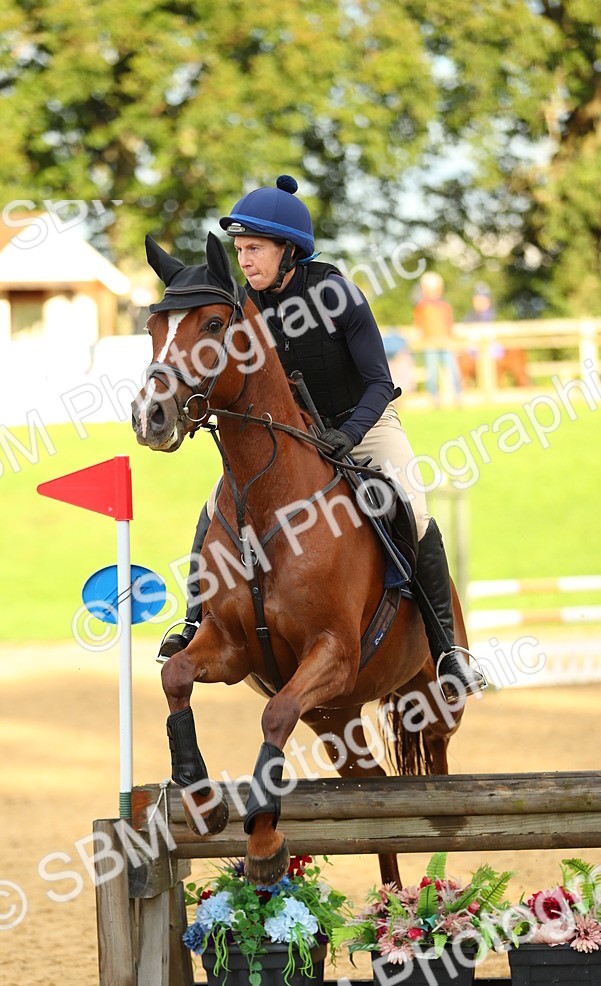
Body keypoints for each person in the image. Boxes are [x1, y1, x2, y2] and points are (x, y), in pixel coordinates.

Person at [157, 175, 485, 701]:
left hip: (367, 423)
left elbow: (381, 382)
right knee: (214, 509)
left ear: (289, 250)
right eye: (240, 250)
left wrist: (348, 433)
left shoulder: (336, 295)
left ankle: (448, 650)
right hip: (298, 436)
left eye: (255, 249)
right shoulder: (244, 308)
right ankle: (194, 621)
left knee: (413, 505)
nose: (245, 260)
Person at [412, 271, 462, 406]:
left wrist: (452, 339)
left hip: (446, 343)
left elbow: (449, 324)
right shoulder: (421, 307)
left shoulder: (445, 306)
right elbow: (419, 325)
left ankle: (458, 397)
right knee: (432, 373)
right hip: (430, 344)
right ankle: (434, 399)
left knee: (453, 371)